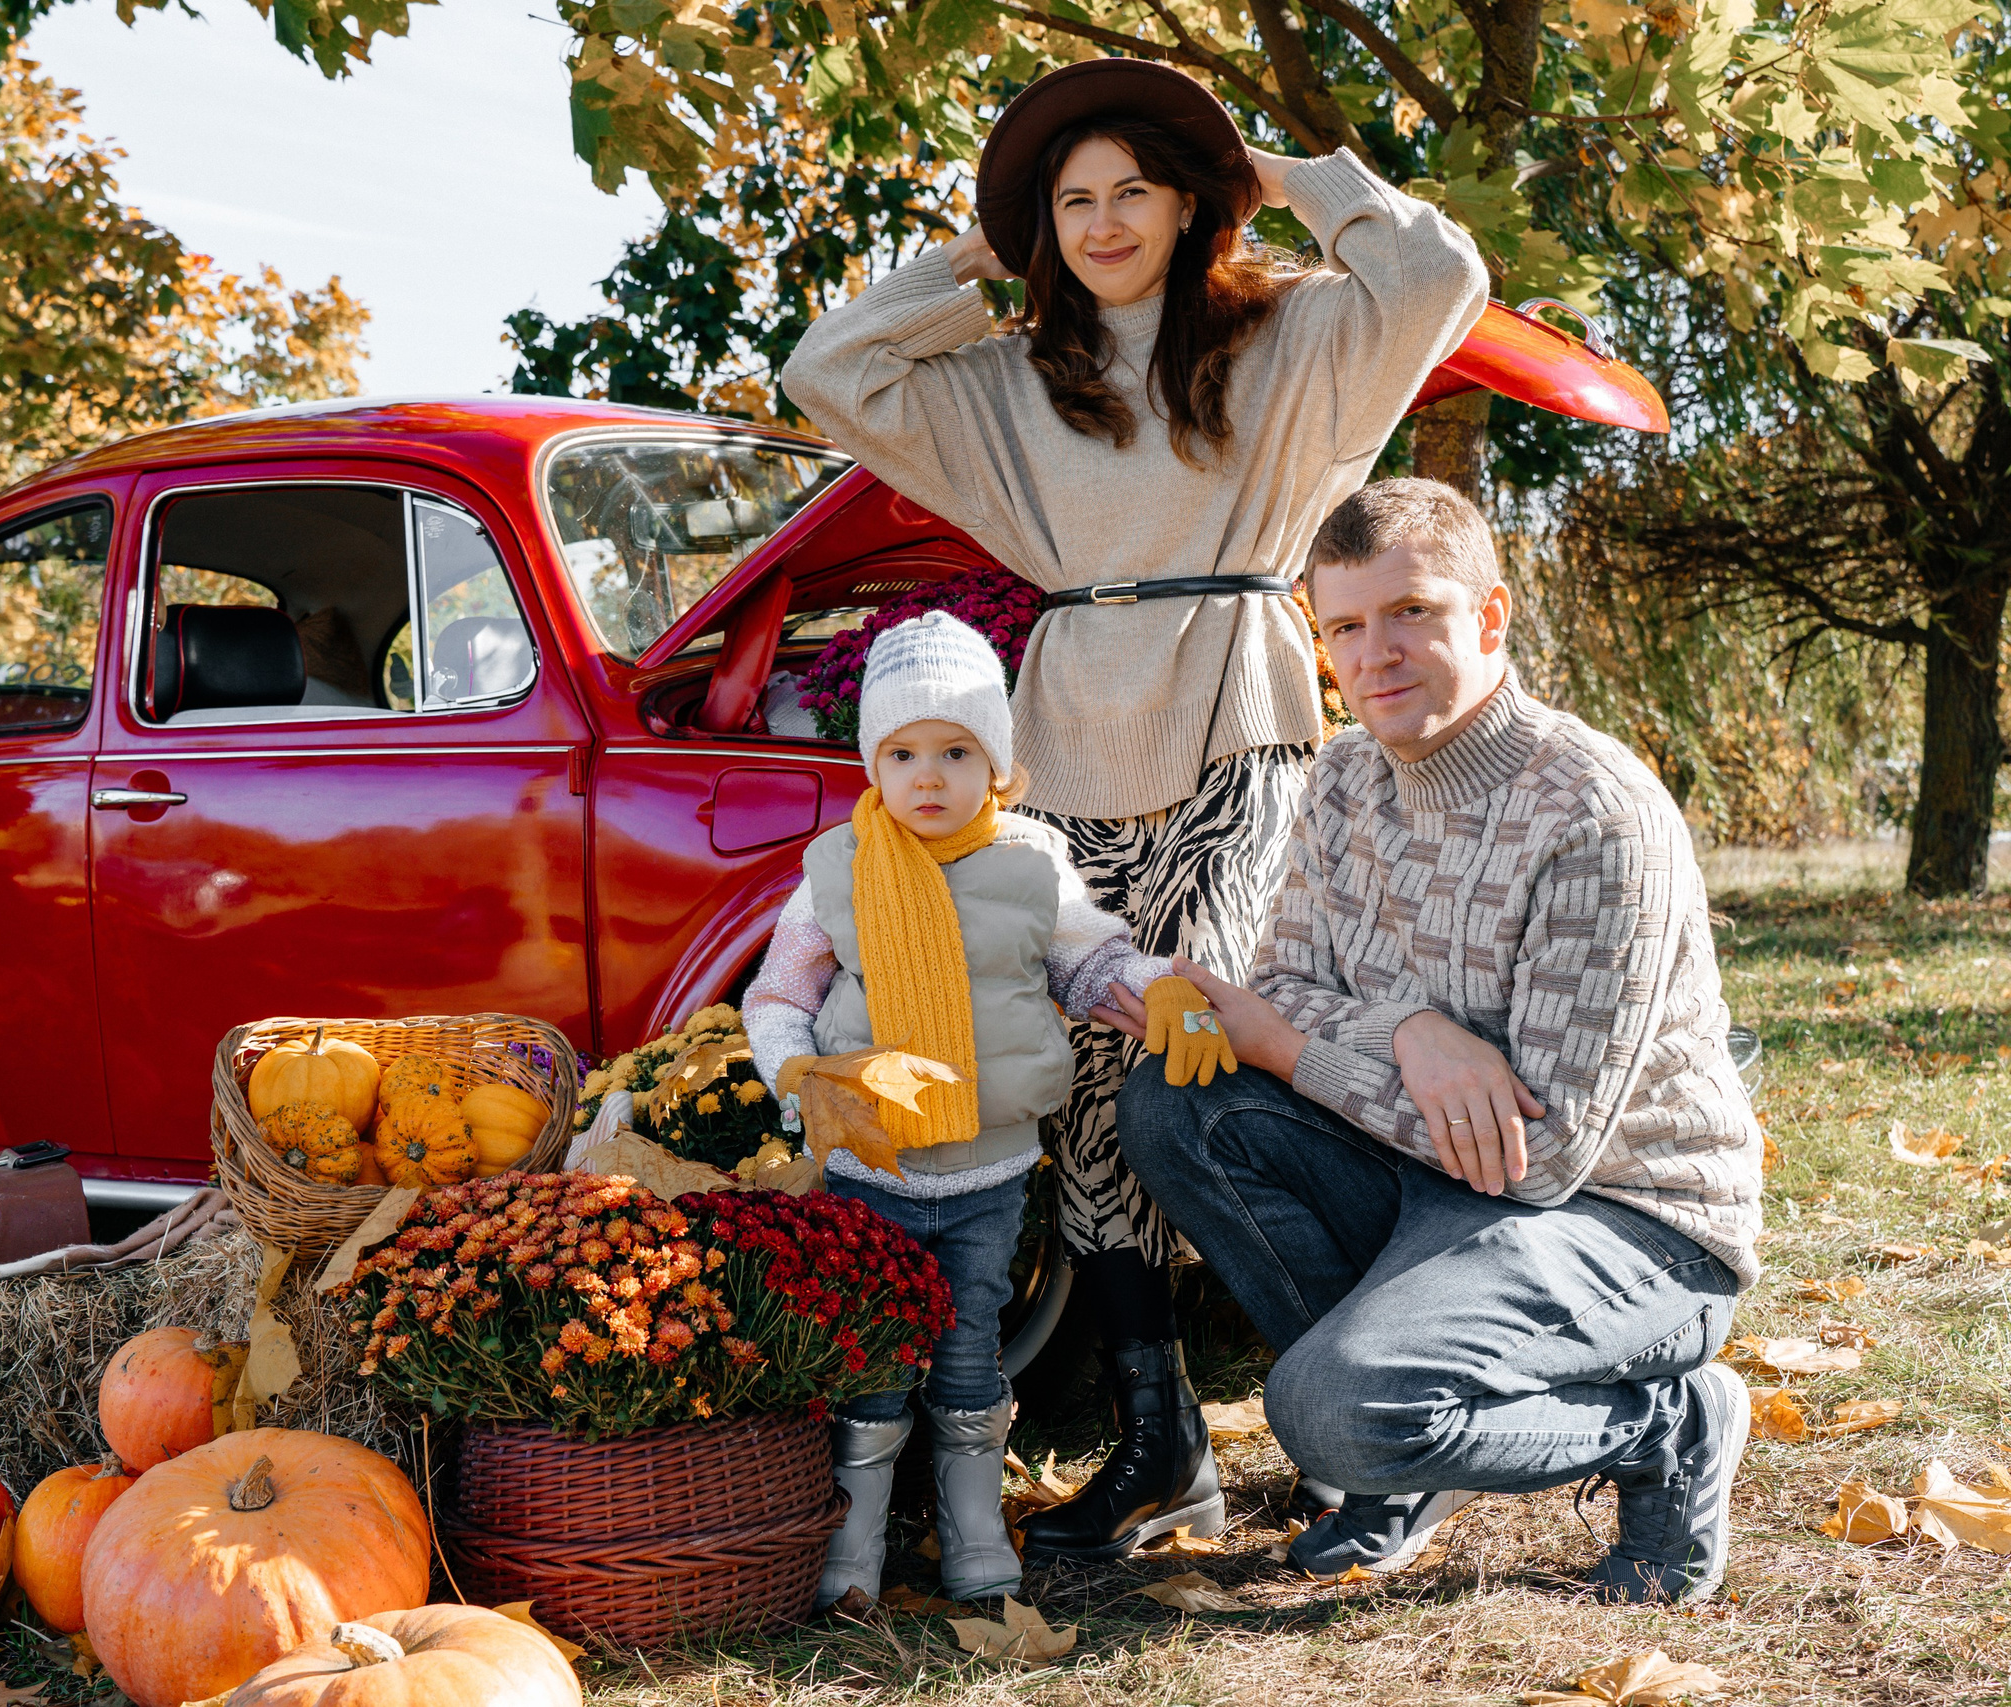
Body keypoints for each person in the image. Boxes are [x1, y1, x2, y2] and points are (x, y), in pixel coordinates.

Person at [780, 56, 1488, 1558]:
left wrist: (1304, 180)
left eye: (1133, 191)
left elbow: (1440, 278)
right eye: (1071, 199)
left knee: (1215, 1047)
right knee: (1092, 1091)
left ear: (1184, 204)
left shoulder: (1291, 337)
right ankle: (1165, 1444)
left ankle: (1370, 1422)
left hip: (1238, 715)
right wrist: (964, 267)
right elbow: (826, 372)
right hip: (1072, 732)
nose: (1102, 222)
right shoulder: (1013, 377)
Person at [1103, 479, 1765, 1604]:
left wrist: (1300, 1052)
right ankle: (1408, 1458)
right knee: (1180, 1094)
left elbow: (1542, 1157)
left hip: (1626, 1220)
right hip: (1437, 1177)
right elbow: (1289, 982)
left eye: (1412, 612)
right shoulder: (1348, 778)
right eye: (1347, 627)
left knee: (1331, 1414)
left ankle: (1665, 1422)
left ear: (1490, 619)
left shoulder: (1594, 815)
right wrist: (1408, 1029)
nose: (1377, 654)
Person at [737, 612, 1216, 1609]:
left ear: (993, 764)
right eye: (902, 752)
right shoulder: (836, 870)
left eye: (956, 751)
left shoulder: (1031, 863)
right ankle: (853, 1542)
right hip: (872, 1171)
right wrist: (801, 1077)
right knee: (872, 1362)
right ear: (873, 761)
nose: (927, 775)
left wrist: (1157, 989)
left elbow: (1087, 967)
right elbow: (779, 996)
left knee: (967, 1353)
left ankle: (968, 1527)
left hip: (991, 1171)